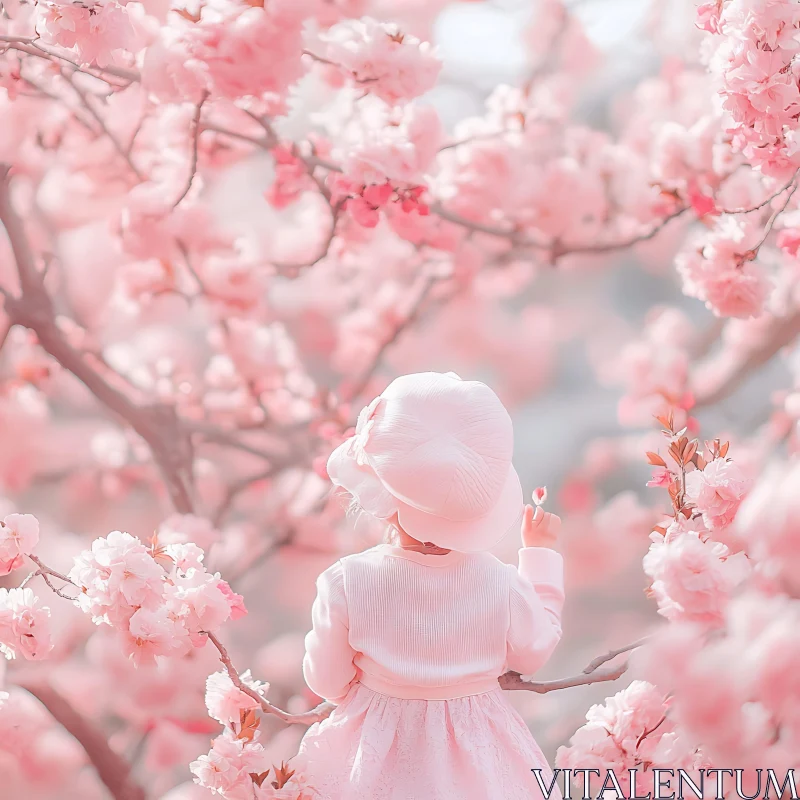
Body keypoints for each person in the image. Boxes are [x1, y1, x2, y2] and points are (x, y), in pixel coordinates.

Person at [293, 371, 565, 800]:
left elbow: (327, 680)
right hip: (481, 753)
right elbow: (534, 652)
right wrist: (540, 556)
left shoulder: (347, 581)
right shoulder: (500, 582)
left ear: (381, 497)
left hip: (373, 751)